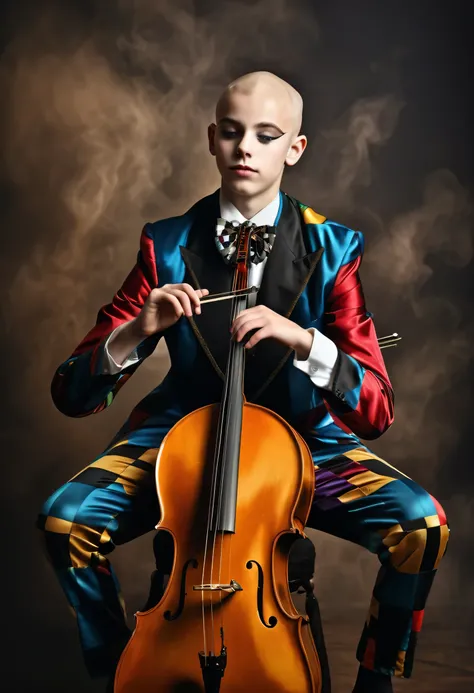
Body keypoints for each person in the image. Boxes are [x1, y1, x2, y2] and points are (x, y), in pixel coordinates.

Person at [37, 71, 449, 693]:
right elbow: (72, 393)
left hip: (306, 443)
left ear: (295, 148)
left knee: (421, 526)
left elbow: (376, 409)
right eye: (231, 133)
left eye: (266, 135)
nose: (245, 149)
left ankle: (376, 680)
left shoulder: (332, 249)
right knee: (66, 521)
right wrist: (137, 330)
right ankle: (123, 664)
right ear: (211, 139)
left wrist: (305, 340)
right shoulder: (166, 243)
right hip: (179, 441)